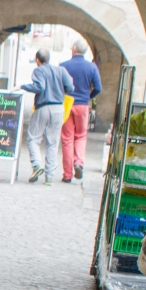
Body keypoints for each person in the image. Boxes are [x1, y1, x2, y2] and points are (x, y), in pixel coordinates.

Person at [20, 49, 75, 185]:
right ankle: (49, 177)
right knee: (53, 142)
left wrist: (23, 86)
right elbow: (70, 88)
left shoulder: (39, 71)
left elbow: (39, 87)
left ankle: (37, 165)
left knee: (33, 138)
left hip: (43, 107)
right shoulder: (61, 70)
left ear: (37, 60)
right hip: (58, 108)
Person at [58, 39, 103, 184]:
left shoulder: (64, 66)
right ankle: (79, 163)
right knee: (81, 136)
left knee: (67, 138)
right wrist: (88, 97)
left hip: (67, 104)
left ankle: (67, 175)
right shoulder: (92, 67)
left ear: (73, 49)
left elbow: (58, 85)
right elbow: (98, 88)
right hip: (83, 105)